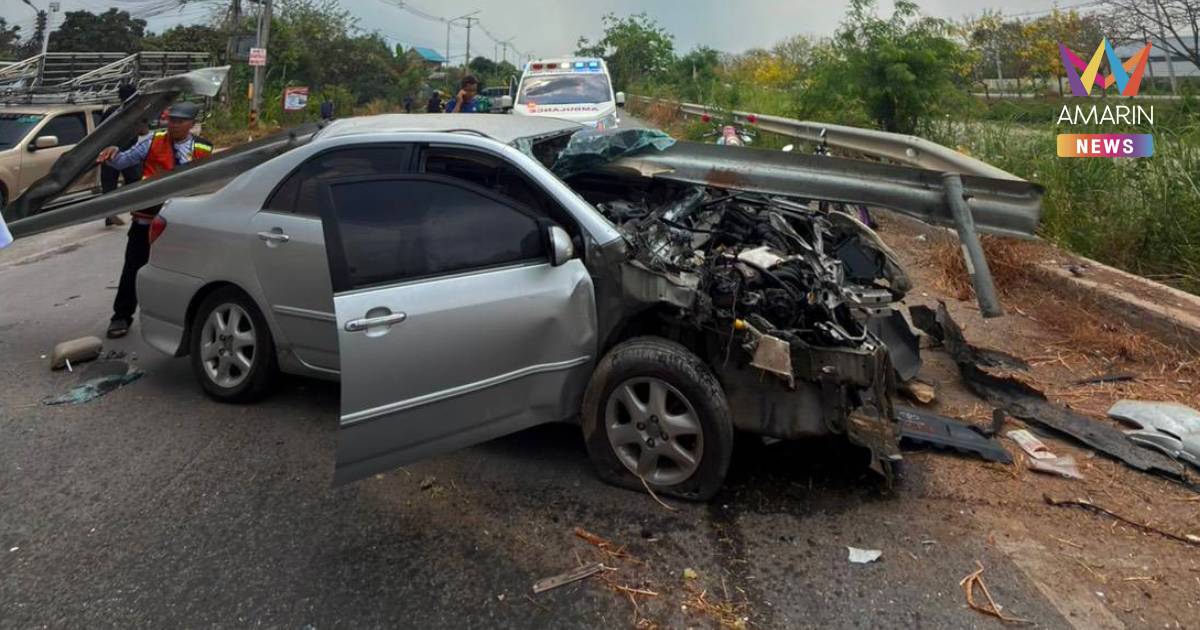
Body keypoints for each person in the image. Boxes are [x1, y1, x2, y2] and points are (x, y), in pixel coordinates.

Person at [97, 102, 213, 338]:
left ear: (192, 124)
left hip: (180, 222)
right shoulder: (152, 141)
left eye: (180, 121)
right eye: (171, 120)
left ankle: (180, 322)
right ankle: (121, 316)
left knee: (183, 274)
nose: (174, 125)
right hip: (147, 220)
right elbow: (123, 161)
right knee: (133, 268)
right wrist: (112, 153)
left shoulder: (203, 148)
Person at [99, 83, 144, 227]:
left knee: (109, 185)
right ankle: (137, 212)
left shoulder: (111, 111)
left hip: (110, 154)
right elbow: (144, 132)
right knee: (134, 184)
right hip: (127, 154)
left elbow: (99, 132)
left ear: (120, 97)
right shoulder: (136, 112)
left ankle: (110, 215)